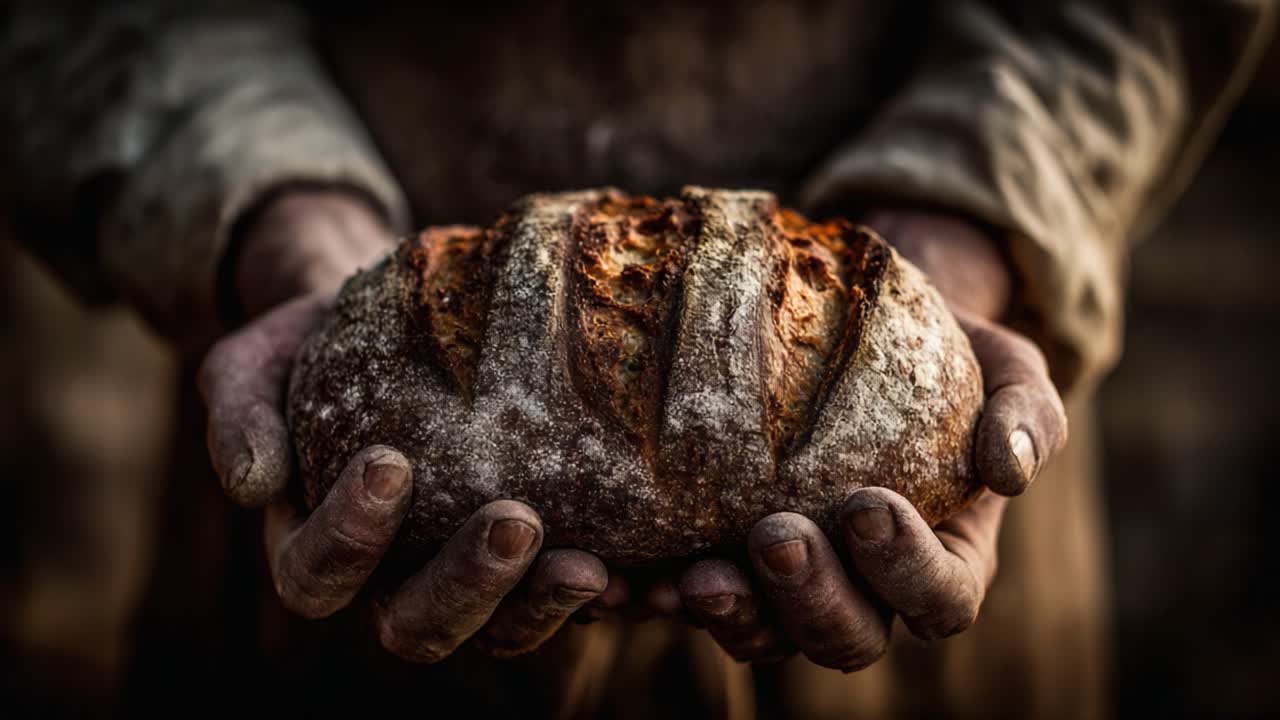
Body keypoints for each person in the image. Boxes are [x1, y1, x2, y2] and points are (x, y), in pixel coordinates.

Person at [2, 1, 1274, 717]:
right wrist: (278, 227)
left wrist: (973, 223)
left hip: (931, 434)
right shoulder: (339, 336)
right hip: (327, 444)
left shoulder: (925, 340)